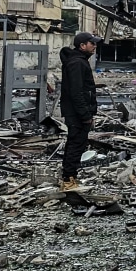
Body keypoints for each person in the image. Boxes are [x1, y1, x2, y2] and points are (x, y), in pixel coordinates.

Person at [58, 31, 99, 191]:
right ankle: (68, 180)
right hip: (76, 114)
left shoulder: (79, 61)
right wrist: (85, 115)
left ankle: (69, 177)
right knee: (75, 146)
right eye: (92, 43)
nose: (94, 46)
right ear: (82, 46)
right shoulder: (77, 63)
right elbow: (76, 92)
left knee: (75, 144)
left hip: (76, 113)